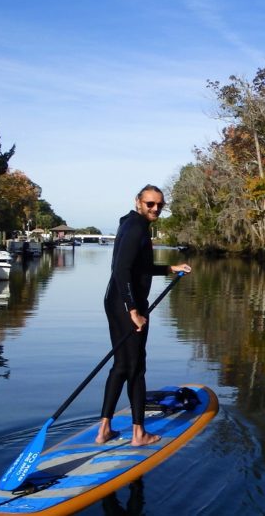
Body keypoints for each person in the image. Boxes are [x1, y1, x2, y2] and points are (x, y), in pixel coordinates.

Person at [96, 184, 191, 446]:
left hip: (114, 302)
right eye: (150, 204)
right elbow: (122, 270)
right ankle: (139, 434)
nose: (156, 208)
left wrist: (170, 268)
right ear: (139, 201)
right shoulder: (137, 227)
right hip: (128, 306)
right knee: (136, 368)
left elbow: (141, 267)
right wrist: (134, 310)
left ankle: (104, 429)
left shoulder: (129, 223)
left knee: (121, 366)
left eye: (160, 205)